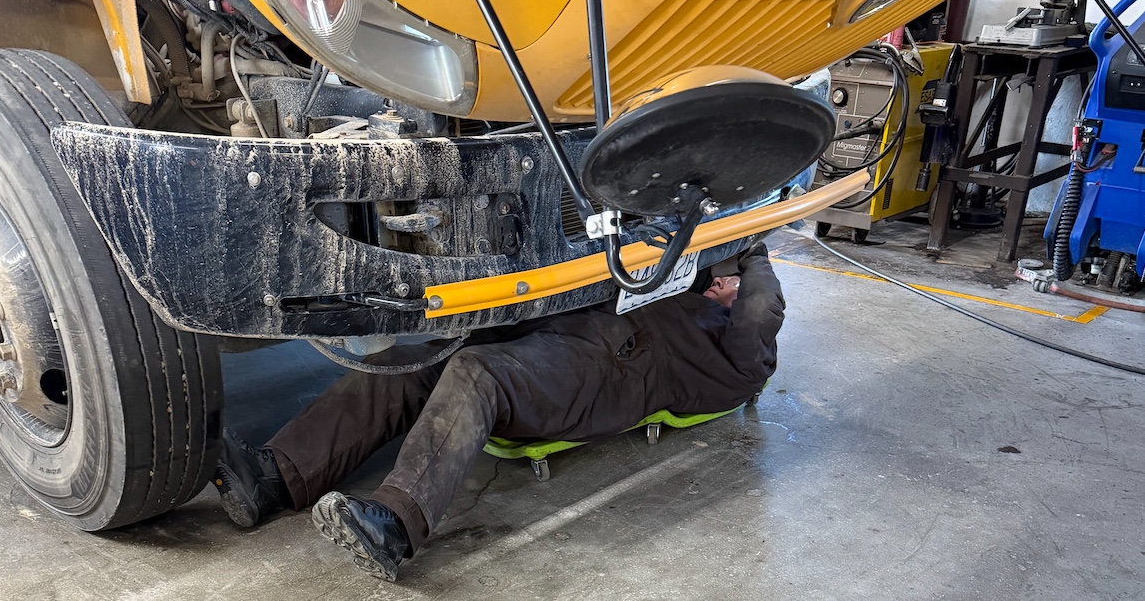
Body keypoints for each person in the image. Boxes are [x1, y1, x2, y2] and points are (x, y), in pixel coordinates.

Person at [213, 242, 785, 583]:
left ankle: (394, 525)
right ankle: (275, 475)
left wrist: (754, 248)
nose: (723, 284)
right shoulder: (682, 290)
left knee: (476, 375)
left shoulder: (739, 358)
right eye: (723, 277)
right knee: (413, 362)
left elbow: (760, 307)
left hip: (606, 374)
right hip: (564, 333)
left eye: (730, 282)